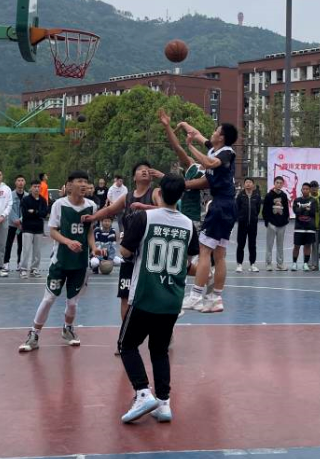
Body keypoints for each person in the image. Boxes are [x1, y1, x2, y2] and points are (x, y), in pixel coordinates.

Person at [116, 174, 200, 424]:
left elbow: (125, 251)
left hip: (145, 295)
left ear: (159, 193)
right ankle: (164, 403)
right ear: (181, 196)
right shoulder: (188, 225)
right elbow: (188, 262)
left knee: (127, 345)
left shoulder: (145, 218)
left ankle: (143, 392)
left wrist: (129, 246)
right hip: (172, 299)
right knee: (159, 349)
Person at [18, 171, 100, 351]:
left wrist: (94, 248)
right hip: (60, 260)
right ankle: (34, 334)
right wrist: (68, 242)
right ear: (69, 185)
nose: (84, 185)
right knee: (49, 298)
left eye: (86, 182)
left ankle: (68, 329)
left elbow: (89, 232)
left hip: (80, 263)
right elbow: (53, 231)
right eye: (79, 181)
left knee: (72, 303)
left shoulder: (92, 206)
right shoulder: (59, 205)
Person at [83, 161, 159, 319]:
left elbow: (166, 210)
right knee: (125, 295)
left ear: (152, 176)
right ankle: (126, 329)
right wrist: (93, 217)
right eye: (140, 169)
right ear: (134, 177)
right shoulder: (127, 197)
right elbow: (109, 210)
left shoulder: (155, 193)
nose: (144, 171)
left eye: (147, 169)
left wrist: (145, 208)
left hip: (150, 254)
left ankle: (156, 328)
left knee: (151, 297)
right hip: (129, 253)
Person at [178, 120, 239, 314]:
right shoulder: (214, 149)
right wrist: (185, 125)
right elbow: (197, 134)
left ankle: (196, 296)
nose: (212, 133)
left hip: (221, 205)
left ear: (222, 137)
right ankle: (215, 298)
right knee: (219, 254)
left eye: (215, 131)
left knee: (204, 251)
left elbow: (209, 163)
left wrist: (189, 147)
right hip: (227, 205)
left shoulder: (226, 153)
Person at [159, 108, 205, 229]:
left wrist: (165, 178)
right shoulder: (192, 166)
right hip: (185, 215)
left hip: (201, 218)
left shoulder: (213, 173)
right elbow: (177, 147)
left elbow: (186, 185)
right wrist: (167, 126)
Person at [18, 180, 50, 278]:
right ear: (31, 188)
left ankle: (34, 269)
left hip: (38, 228)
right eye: (35, 186)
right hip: (27, 228)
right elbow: (25, 214)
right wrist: (37, 213)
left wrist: (34, 212)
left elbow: (44, 214)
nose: (36, 188)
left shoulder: (43, 200)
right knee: (26, 250)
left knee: (37, 251)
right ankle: (23, 269)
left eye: (38, 187)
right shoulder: (25, 200)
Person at [262, 176, 289, 271]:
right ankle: (268, 263)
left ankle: (280, 264)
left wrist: (285, 221)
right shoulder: (269, 195)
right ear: (274, 183)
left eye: (281, 183)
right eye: (277, 182)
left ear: (283, 184)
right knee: (269, 245)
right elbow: (265, 210)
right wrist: (267, 222)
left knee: (280, 245)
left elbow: (286, 209)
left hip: (282, 224)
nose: (279, 184)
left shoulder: (284, 196)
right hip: (272, 224)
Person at [235, 178, 262, 273]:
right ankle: (239, 264)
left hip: (253, 224)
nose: (248, 184)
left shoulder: (257, 196)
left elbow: (258, 209)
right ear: (244, 184)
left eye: (250, 182)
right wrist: (241, 218)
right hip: (242, 224)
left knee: (252, 245)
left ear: (253, 185)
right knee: (240, 245)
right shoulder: (240, 195)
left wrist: (254, 217)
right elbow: (237, 208)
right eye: (246, 182)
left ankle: (252, 264)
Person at [3, 175, 27, 273]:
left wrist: (21, 221)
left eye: (22, 180)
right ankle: (6, 262)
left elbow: (27, 210)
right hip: (11, 224)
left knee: (21, 244)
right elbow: (9, 208)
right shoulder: (10, 195)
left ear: (24, 182)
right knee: (8, 244)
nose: (20, 182)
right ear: (15, 182)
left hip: (23, 225)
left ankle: (19, 262)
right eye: (18, 180)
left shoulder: (27, 196)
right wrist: (15, 220)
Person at [292, 182, 317, 271]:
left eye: (307, 189)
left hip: (309, 228)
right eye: (304, 189)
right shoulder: (297, 200)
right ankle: (294, 263)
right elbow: (296, 211)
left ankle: (305, 263)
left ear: (309, 190)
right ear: (301, 190)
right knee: (296, 246)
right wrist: (304, 208)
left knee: (307, 246)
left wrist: (301, 209)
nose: (305, 190)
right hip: (299, 227)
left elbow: (313, 212)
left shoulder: (313, 200)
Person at [308, 181, 320, 269]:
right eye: (312, 187)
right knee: (307, 245)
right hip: (308, 226)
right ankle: (307, 263)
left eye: (315, 187)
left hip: (318, 226)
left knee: (316, 246)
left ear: (318, 188)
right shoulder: (306, 197)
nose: (314, 189)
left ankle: (315, 264)